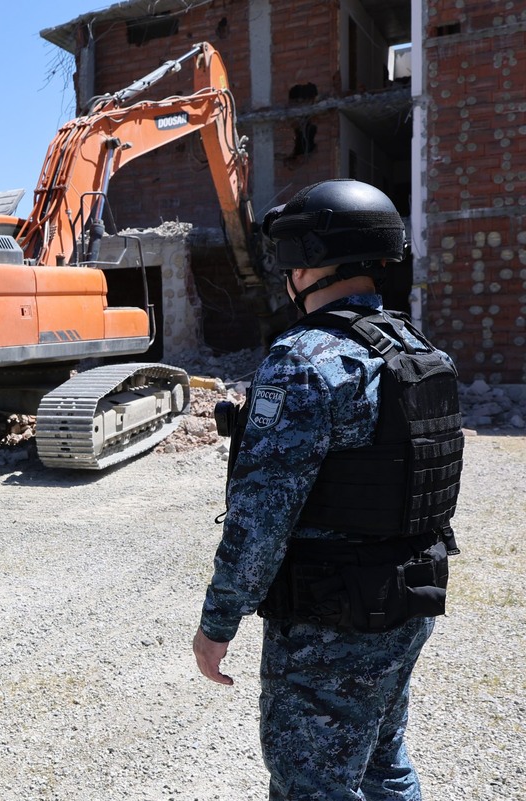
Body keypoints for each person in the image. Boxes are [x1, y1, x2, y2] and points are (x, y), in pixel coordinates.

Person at [192, 179, 464, 800]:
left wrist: (218, 622)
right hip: (405, 600)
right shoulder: (420, 351)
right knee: (381, 764)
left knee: (312, 785)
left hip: (329, 623)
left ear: (307, 260)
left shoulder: (304, 360)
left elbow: (260, 518)